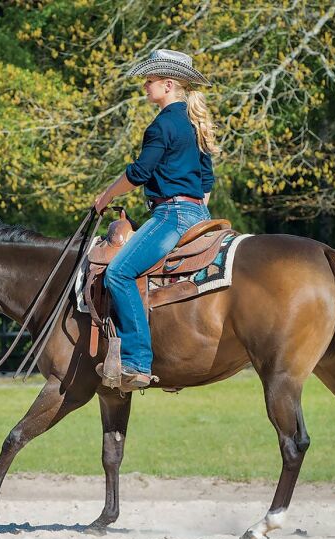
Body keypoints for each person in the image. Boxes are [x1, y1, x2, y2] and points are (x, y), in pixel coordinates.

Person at [93, 48, 219, 391]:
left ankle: (136, 360)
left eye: (150, 81)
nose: (145, 87)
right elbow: (206, 181)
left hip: (171, 214)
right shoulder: (194, 124)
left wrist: (105, 196)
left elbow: (139, 173)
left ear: (168, 84)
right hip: (199, 214)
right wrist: (195, 208)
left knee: (118, 273)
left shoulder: (162, 125)